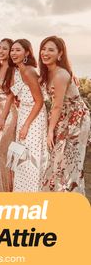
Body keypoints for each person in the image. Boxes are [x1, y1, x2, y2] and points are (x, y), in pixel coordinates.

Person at [39, 36, 90, 194]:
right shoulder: (49, 72)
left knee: (69, 164)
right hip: (63, 118)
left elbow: (57, 106)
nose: (45, 53)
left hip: (75, 121)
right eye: (44, 48)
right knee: (57, 161)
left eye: (51, 50)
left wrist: (50, 131)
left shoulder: (61, 74)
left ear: (60, 54)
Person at [9, 39, 48, 192]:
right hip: (24, 113)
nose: (13, 53)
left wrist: (26, 125)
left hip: (34, 118)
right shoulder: (19, 70)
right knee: (22, 156)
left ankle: (31, 194)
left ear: (27, 52)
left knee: (30, 158)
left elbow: (39, 102)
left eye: (18, 50)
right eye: (12, 50)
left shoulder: (28, 71)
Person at [0, 38, 17, 192]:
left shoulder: (13, 70)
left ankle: (4, 190)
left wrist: (2, 117)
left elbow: (11, 96)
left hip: (7, 115)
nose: (1, 51)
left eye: (5, 49)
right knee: (0, 154)